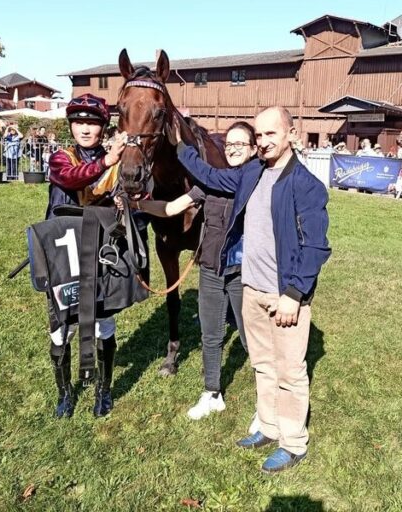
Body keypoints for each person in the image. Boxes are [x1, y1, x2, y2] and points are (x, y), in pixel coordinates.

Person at [174, 107, 331, 474]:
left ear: (292, 134)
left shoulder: (306, 186)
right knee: (262, 365)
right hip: (252, 288)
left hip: (284, 295)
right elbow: (211, 176)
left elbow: (316, 247)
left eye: (270, 134)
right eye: (258, 135)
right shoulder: (252, 170)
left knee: (290, 372)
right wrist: (179, 147)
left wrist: (294, 293)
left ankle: (292, 442)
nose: (262, 142)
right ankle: (268, 425)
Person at [118, 121, 257, 423]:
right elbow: (171, 209)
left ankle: (267, 403)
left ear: (253, 149)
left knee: (248, 337)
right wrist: (135, 204)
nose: (232, 149)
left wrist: (181, 147)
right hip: (210, 266)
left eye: (240, 144)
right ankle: (212, 393)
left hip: (240, 269)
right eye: (229, 144)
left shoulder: (254, 176)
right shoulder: (210, 182)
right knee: (210, 333)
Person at [44, 93, 128, 418]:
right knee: (60, 325)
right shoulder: (60, 158)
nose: (85, 128)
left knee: (104, 322)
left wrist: (122, 202)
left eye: (92, 122)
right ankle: (65, 393)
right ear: (71, 125)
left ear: (102, 128)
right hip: (62, 254)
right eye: (79, 121)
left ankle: (104, 391)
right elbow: (70, 178)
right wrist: (106, 163)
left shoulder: (115, 165)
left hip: (99, 255)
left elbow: (126, 195)